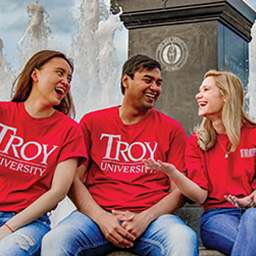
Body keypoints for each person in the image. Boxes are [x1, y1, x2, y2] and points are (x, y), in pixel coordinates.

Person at [41, 54, 198, 256]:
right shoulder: (92, 123)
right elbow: (74, 180)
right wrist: (101, 218)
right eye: (147, 80)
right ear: (126, 80)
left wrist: (145, 218)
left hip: (153, 221)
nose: (155, 88)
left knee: (183, 238)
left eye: (158, 83)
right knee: (56, 240)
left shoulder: (172, 129)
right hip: (95, 219)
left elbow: (179, 191)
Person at [144, 70, 256, 255]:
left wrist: (251, 199)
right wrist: (173, 173)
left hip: (252, 213)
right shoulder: (197, 141)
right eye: (199, 90)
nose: (198, 95)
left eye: (205, 90)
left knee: (252, 217)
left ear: (226, 96)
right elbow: (200, 196)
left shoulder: (253, 133)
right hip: (217, 216)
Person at [0, 50, 87, 255]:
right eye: (59, 73)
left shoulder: (69, 130)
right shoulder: (3, 114)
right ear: (35, 74)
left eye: (69, 78)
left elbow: (58, 192)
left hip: (29, 223)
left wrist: (7, 228)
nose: (65, 82)